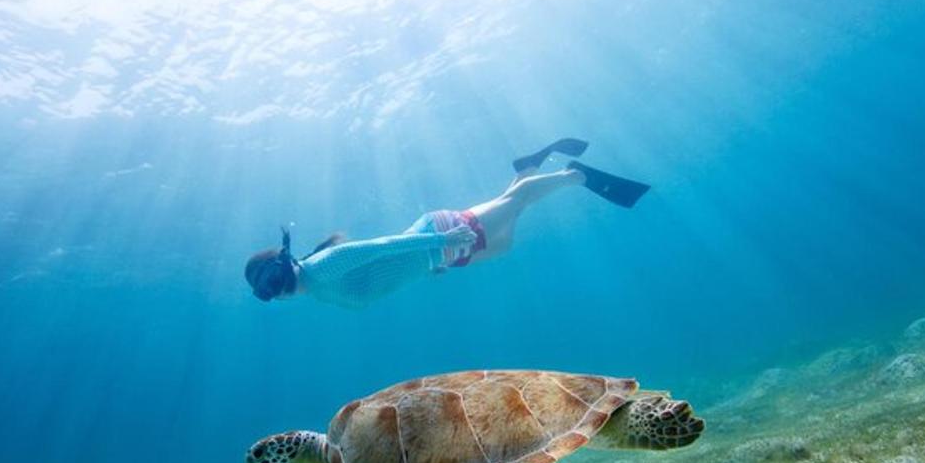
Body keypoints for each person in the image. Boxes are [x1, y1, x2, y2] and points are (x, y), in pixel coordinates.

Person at [244, 138, 650, 308]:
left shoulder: (321, 267)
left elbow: (384, 246)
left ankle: (575, 176)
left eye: (272, 282)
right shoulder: (317, 287)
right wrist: (429, 263)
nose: (277, 293)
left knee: (516, 203)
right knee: (505, 242)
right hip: (432, 255)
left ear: (282, 265)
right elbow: (384, 272)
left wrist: (440, 240)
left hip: (437, 237)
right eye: (268, 293)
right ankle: (526, 169)